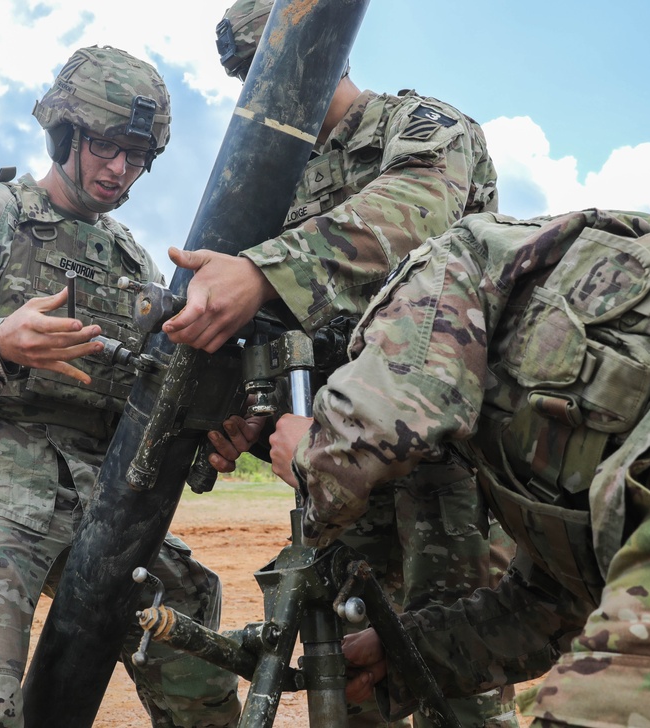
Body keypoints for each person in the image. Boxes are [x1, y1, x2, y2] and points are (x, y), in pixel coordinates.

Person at [267, 207, 650, 726]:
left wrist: (308, 454)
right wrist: (406, 652)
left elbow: (382, 423)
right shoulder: (532, 425)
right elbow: (548, 609)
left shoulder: (449, 260)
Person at [0, 46, 239, 728]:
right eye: (104, 146)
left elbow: (146, 391)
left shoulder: (131, 259)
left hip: (106, 494)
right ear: (63, 134)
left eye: (137, 155)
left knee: (196, 665)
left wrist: (209, 430)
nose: (119, 169)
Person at [169, 2, 517, 726]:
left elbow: (416, 212)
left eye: (272, 70)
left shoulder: (419, 128)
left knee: (459, 682)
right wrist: (241, 411)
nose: (267, 92)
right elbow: (276, 330)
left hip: (443, 470)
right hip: (339, 475)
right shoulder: (274, 188)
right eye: (250, 79)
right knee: (356, 682)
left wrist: (263, 270)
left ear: (327, 53)